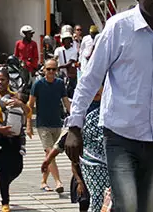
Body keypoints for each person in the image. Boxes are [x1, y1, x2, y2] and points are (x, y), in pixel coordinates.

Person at [66, 0, 153, 212]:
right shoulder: (118, 28)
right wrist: (74, 127)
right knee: (128, 206)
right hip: (120, 136)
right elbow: (90, 79)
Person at [42, 83, 108, 212]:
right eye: (92, 87)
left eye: (99, 86)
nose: (96, 91)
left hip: (113, 164)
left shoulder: (111, 108)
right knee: (91, 201)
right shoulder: (82, 111)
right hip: (89, 166)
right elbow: (65, 140)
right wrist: (48, 159)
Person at [0, 69, 30, 212]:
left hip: (14, 138)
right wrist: (0, 128)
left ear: (8, 81)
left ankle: (4, 184)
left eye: (2, 79)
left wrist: (20, 104)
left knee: (18, 168)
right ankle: (5, 202)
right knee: (3, 169)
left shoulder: (15, 96)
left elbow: (28, 112)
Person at [28, 58, 70, 193]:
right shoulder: (38, 84)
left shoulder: (59, 84)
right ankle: (58, 182)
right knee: (49, 151)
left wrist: (75, 119)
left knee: (51, 155)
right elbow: (30, 106)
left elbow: (66, 102)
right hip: (43, 125)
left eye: (54, 69)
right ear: (44, 70)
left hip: (57, 123)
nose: (51, 72)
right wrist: (28, 125)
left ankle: (43, 181)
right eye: (49, 69)